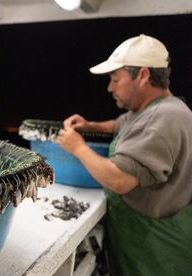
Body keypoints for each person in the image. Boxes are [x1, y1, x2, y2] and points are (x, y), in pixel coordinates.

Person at [57, 34, 192, 275]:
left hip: (155, 249)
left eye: (115, 79)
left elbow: (120, 180)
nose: (109, 88)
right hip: (138, 235)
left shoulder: (164, 118)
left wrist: (77, 147)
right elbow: (122, 124)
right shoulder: (151, 109)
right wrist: (92, 126)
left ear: (142, 75)